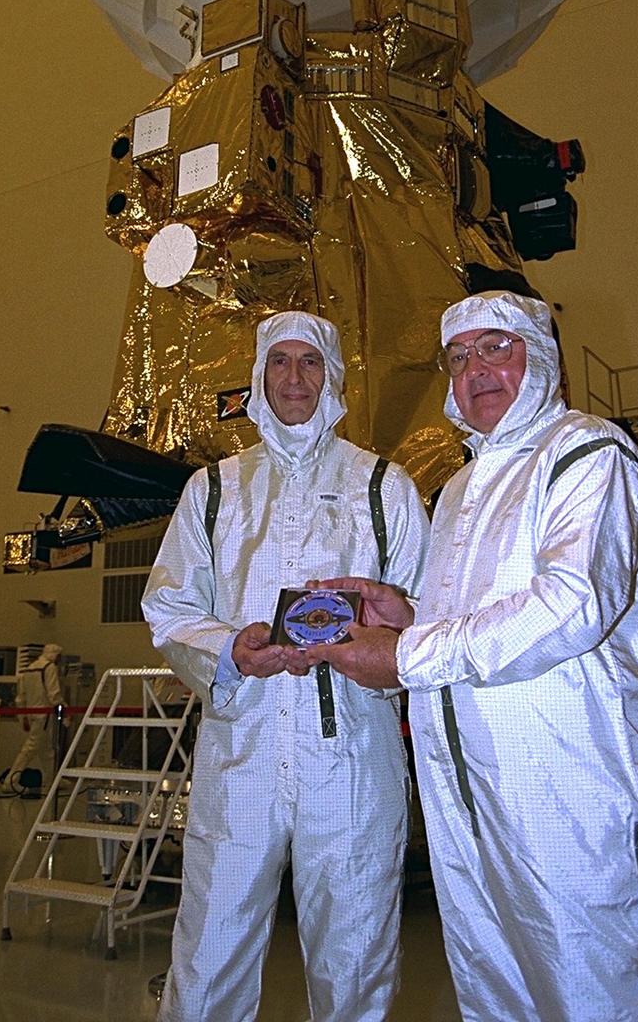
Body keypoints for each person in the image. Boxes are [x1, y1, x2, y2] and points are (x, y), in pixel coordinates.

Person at [309, 291, 638, 1021]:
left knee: (598, 995)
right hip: (466, 799)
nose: (474, 370)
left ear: (537, 358)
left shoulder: (586, 454)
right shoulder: (457, 491)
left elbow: (571, 605)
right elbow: (473, 629)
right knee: (497, 996)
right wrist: (406, 614)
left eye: (495, 349)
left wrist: (407, 652)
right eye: (457, 357)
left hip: (575, 800)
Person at [142, 310, 429, 1022]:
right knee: (210, 946)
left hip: (353, 755)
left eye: (308, 363)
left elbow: (427, 612)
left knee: (355, 950)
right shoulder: (212, 490)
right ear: (257, 377)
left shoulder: (383, 487)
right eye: (279, 362)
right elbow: (169, 606)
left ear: (330, 378)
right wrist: (228, 651)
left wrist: (385, 647)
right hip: (242, 747)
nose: (293, 378)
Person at [5, 643, 64, 793]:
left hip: (32, 713)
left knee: (46, 751)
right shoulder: (49, 668)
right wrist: (64, 708)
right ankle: (11, 781)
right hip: (44, 715)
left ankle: (52, 780)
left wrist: (23, 715)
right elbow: (53, 694)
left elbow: (21, 697)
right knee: (30, 749)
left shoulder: (29, 669)